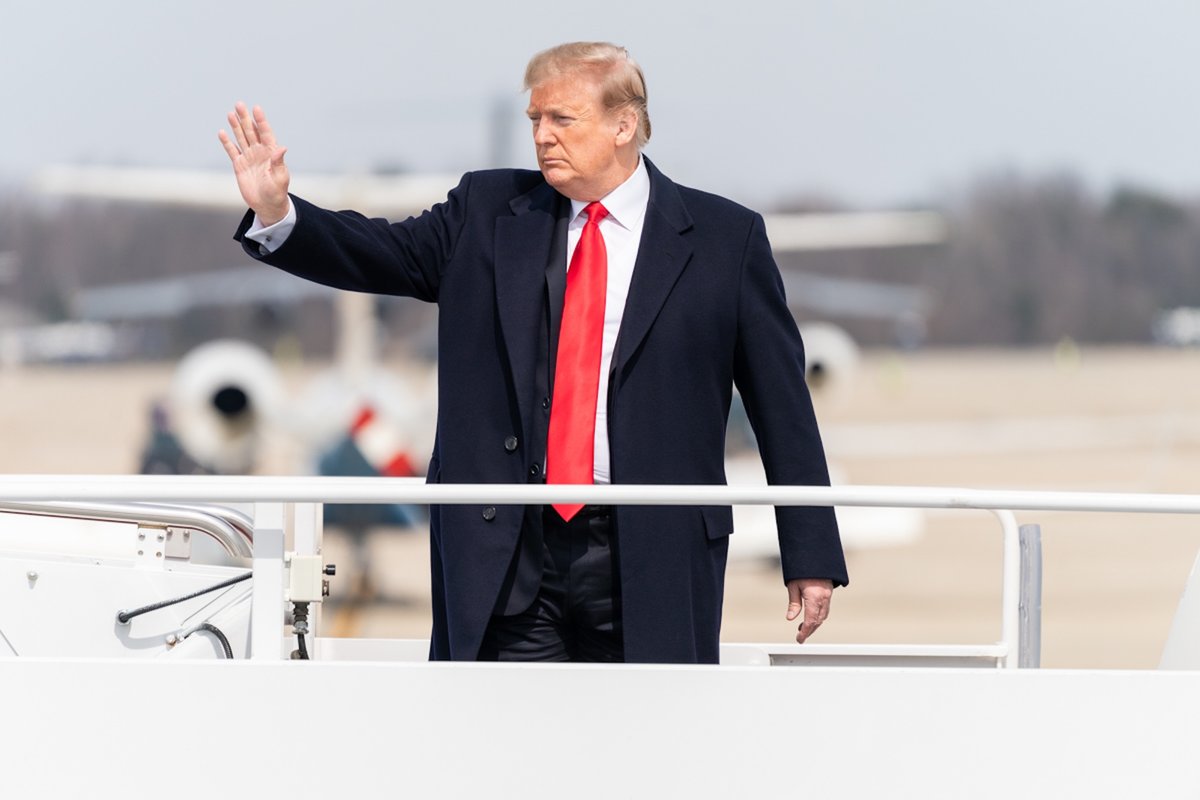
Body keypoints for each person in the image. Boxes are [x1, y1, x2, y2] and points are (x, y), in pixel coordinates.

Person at [219, 41, 847, 663]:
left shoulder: (725, 240)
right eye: (535, 120)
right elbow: (379, 251)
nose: (543, 136)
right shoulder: (486, 212)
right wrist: (278, 211)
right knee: (500, 753)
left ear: (625, 124)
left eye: (562, 119)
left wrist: (811, 554)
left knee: (645, 752)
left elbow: (781, 404)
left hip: (653, 549)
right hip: (508, 552)